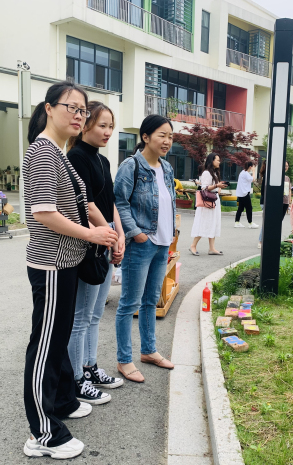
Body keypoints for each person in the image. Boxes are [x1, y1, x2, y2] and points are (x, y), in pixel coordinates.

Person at [21, 81, 119, 460]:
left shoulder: (58, 153)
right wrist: (92, 234)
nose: (78, 115)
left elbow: (84, 202)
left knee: (58, 340)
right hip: (50, 265)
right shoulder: (43, 153)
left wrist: (107, 232)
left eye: (82, 110)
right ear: (49, 108)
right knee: (44, 347)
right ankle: (42, 434)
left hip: (65, 264)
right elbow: (44, 213)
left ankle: (61, 402)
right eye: (71, 108)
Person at [66, 101, 125, 406]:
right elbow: (86, 205)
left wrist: (119, 235)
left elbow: (109, 202)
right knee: (81, 316)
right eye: (102, 125)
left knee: (96, 314)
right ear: (85, 125)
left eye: (111, 126)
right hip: (89, 241)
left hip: (106, 237)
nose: (107, 132)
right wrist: (110, 236)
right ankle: (76, 379)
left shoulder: (102, 160)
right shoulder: (76, 157)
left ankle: (89, 368)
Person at [114, 114, 177, 383]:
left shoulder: (167, 167)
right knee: (129, 303)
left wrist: (171, 232)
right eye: (162, 135)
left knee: (151, 301)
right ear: (146, 137)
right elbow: (119, 201)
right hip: (141, 244)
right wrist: (136, 233)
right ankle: (124, 359)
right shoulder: (131, 166)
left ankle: (149, 351)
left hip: (162, 244)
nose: (167, 141)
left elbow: (169, 200)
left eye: (170, 136)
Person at [189, 153, 227, 256]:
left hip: (214, 200)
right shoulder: (206, 173)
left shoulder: (214, 172)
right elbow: (204, 187)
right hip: (208, 202)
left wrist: (218, 187)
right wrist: (216, 185)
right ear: (212, 161)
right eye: (217, 160)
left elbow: (213, 187)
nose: (219, 162)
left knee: (213, 223)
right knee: (204, 223)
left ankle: (212, 248)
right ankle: (193, 245)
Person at [258, 161, 291, 248]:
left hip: (284, 202)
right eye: (284, 165)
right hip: (270, 202)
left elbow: (288, 190)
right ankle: (261, 241)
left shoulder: (287, 178)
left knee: (277, 222)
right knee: (268, 221)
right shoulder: (272, 176)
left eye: (287, 166)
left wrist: (289, 202)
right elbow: (264, 191)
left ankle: (272, 240)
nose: (285, 167)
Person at [234, 161, 258, 229]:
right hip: (244, 193)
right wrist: (253, 171)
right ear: (250, 167)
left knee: (241, 208)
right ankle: (250, 223)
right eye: (252, 167)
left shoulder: (242, 172)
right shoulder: (246, 174)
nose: (253, 168)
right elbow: (253, 179)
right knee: (249, 208)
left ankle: (237, 222)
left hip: (240, 193)